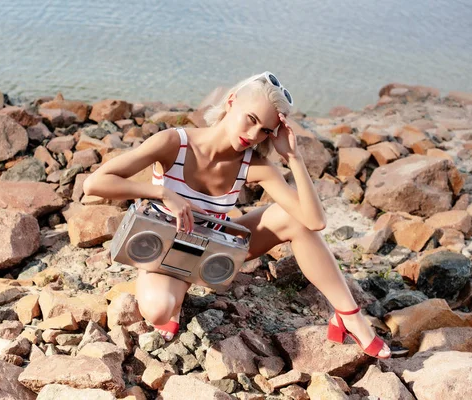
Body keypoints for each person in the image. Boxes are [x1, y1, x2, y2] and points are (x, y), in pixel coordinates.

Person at [83, 72, 391, 359]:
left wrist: (293, 157)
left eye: (266, 130)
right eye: (252, 119)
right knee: (157, 311)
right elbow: (94, 184)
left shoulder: (255, 165)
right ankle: (172, 287)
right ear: (232, 102)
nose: (254, 134)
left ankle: (350, 317)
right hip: (165, 250)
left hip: (216, 248)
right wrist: (164, 193)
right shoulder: (174, 143)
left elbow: (315, 222)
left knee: (294, 219)